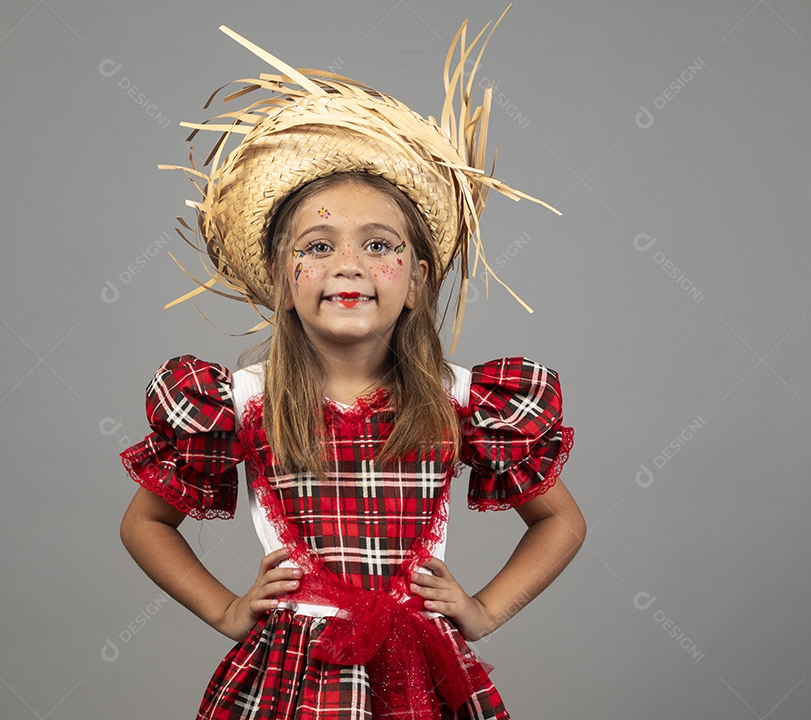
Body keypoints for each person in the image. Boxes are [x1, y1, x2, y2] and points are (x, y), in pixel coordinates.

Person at [119, 9, 586, 720]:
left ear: (418, 279)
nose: (348, 265)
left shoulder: (462, 400)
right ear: (281, 278)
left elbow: (561, 522)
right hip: (297, 673)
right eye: (317, 246)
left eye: (378, 245)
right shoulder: (239, 402)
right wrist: (227, 611)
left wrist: (483, 610)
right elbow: (144, 524)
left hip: (420, 670)